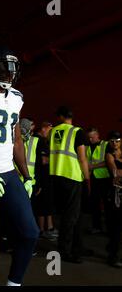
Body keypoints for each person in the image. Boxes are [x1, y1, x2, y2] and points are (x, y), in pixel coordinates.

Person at [0, 46, 39, 286]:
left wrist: (27, 176)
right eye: (5, 69)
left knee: (30, 232)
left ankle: (13, 284)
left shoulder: (16, 97)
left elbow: (16, 140)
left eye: (12, 70)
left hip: (7, 172)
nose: (9, 74)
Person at [49, 106, 90, 263]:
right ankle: (64, 251)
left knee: (73, 215)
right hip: (72, 176)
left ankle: (77, 246)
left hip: (56, 176)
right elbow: (82, 158)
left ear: (60, 116)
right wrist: (87, 179)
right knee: (70, 216)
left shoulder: (53, 132)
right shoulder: (77, 132)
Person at [86, 127, 111, 234]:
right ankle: (97, 227)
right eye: (89, 137)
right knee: (94, 204)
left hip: (105, 178)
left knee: (108, 205)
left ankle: (110, 229)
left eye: (92, 137)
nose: (91, 139)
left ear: (98, 135)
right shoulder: (87, 147)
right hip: (93, 179)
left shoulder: (106, 145)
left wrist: (93, 166)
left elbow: (109, 161)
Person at [103, 131, 122, 267]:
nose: (114, 143)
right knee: (116, 226)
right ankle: (113, 257)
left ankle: (112, 249)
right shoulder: (109, 155)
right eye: (112, 141)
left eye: (117, 140)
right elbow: (116, 175)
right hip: (116, 194)